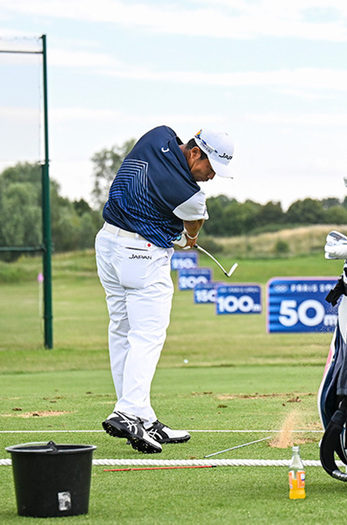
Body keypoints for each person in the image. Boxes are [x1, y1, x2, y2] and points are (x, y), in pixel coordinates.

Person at [95, 126, 234, 453]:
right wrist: (191, 241)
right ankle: (128, 411)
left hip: (107, 244)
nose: (211, 176)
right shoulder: (190, 194)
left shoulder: (157, 135)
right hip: (142, 255)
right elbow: (193, 226)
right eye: (210, 167)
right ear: (196, 152)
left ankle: (140, 414)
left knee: (122, 330)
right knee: (148, 334)